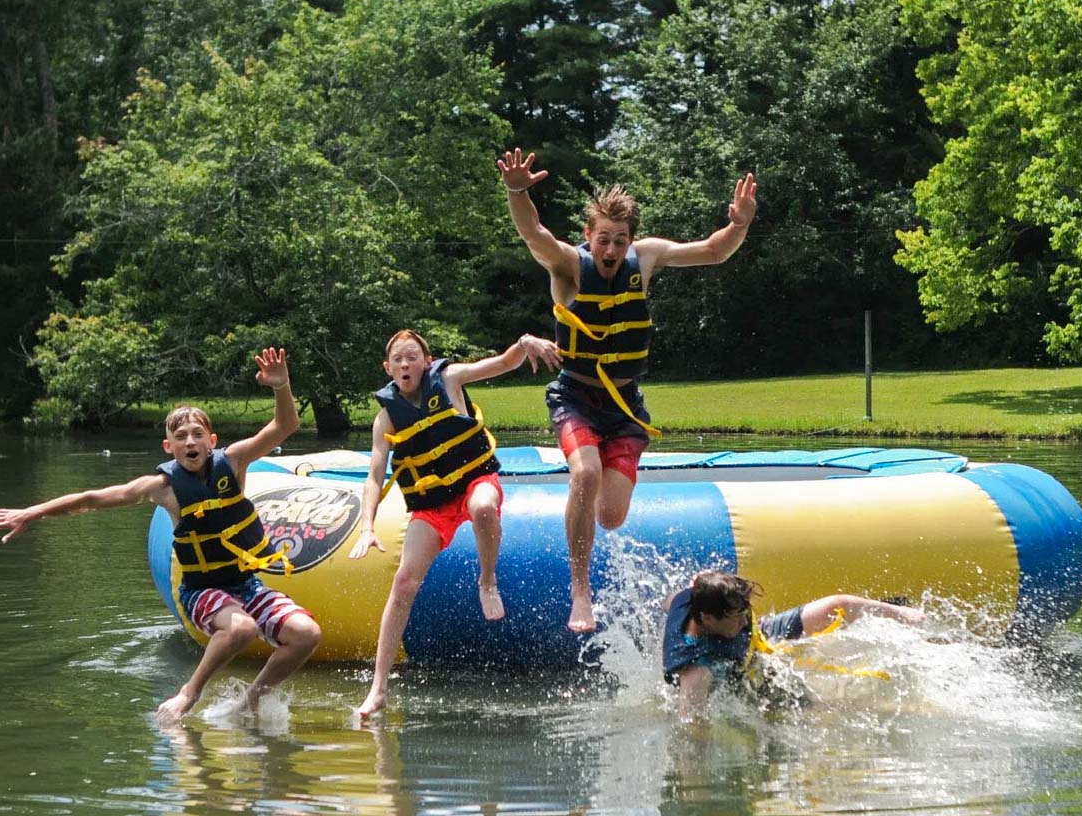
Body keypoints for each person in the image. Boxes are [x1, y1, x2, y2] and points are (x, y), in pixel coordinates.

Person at [0, 347, 320, 723]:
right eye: (181, 437)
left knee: (306, 633)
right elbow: (91, 499)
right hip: (202, 591)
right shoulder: (162, 487)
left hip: (245, 584)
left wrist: (281, 386)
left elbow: (285, 426)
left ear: (211, 439)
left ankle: (250, 703)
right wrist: (33, 511)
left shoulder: (235, 460)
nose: (190, 442)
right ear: (168, 447)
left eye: (197, 435)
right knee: (241, 628)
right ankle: (188, 694)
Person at [497, 147, 759, 632]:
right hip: (575, 396)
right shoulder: (568, 267)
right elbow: (533, 233)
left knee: (612, 516)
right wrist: (518, 191)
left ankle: (585, 526)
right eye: (603, 241)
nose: (612, 251)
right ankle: (581, 592)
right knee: (585, 474)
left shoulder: (649, 257)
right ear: (588, 238)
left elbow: (712, 250)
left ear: (631, 239)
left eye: (620, 241)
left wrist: (739, 224)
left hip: (625, 408)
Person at [348, 327, 561, 720]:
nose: (406, 364)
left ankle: (487, 580)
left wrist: (523, 343)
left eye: (413, 357)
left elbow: (500, 364)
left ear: (426, 362)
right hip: (432, 503)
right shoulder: (386, 418)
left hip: (475, 480)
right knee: (404, 580)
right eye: (398, 359)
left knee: (482, 508)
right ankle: (378, 688)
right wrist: (366, 527)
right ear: (388, 368)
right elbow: (374, 476)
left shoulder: (449, 379)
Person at [663, 570, 926, 715]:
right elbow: (692, 726)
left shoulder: (691, 598)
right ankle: (902, 709)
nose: (744, 621)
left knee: (837, 607)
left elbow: (671, 603)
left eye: (746, 613)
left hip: (761, 637)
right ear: (707, 618)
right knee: (816, 709)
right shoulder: (697, 672)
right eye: (736, 618)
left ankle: (903, 615)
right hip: (745, 682)